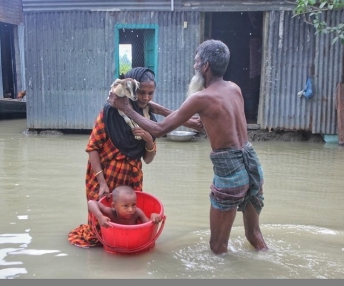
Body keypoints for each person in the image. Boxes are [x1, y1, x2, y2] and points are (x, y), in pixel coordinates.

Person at [108, 39, 268, 255]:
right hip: (252, 165)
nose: (194, 66)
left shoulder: (202, 97)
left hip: (230, 172)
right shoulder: (234, 89)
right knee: (254, 235)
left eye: (196, 61)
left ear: (205, 67)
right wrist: (153, 106)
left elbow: (158, 130)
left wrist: (125, 107)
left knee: (217, 248)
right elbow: (200, 124)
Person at [68, 67, 201, 248]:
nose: (146, 98)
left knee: (128, 222)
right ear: (132, 91)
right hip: (104, 176)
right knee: (100, 229)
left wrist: (148, 140)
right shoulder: (110, 113)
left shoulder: (148, 118)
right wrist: (102, 183)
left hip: (132, 178)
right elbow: (92, 148)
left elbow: (148, 159)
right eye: (141, 93)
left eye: (150, 93)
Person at [88, 185, 162, 227]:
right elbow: (91, 202)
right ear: (114, 206)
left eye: (133, 205)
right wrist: (100, 217)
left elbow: (148, 226)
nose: (130, 210)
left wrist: (154, 216)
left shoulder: (137, 212)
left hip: (133, 241)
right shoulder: (111, 212)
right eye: (125, 206)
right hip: (115, 241)